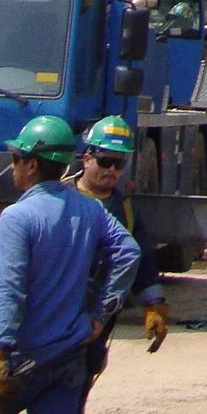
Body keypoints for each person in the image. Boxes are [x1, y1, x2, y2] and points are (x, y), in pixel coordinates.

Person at [0, 115, 140, 414]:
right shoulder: (91, 210)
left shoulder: (17, 218)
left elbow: (10, 290)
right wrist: (100, 314)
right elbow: (129, 251)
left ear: (31, 166)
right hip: (67, 357)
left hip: (19, 357)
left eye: (15, 158)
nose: (11, 166)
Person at [68, 117, 169, 355]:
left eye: (119, 164)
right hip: (60, 306)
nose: (112, 170)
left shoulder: (124, 208)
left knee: (85, 372)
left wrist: (154, 305)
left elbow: (142, 257)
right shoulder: (61, 199)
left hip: (98, 312)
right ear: (86, 159)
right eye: (105, 162)